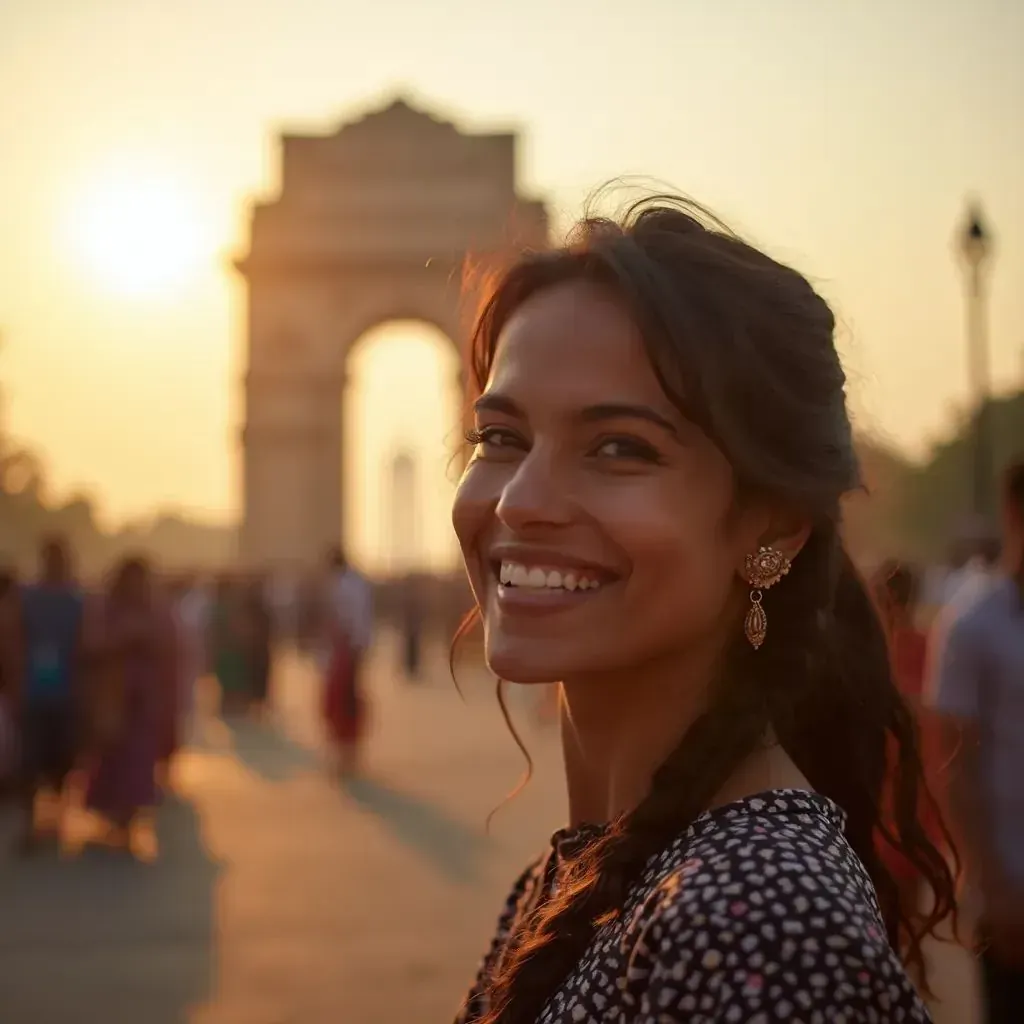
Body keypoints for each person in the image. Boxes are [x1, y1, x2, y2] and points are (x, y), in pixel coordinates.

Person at [451, 198, 955, 1024]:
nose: (520, 502)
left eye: (620, 448)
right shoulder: (592, 877)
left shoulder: (754, 925)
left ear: (775, 526)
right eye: (500, 438)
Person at [926, 460, 1024, 1023]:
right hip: (1012, 890)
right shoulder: (974, 624)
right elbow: (955, 764)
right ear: (1015, 512)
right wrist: (990, 888)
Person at [84, 556, 177, 850]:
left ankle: (128, 819)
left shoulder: (157, 612)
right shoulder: (105, 611)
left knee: (138, 758)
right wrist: (123, 639)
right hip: (112, 697)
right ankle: (114, 818)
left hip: (145, 698)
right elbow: (91, 645)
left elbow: (170, 649)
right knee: (112, 757)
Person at [12, 537, 86, 852]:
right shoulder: (27, 599)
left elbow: (87, 647)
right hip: (34, 690)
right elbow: (15, 640)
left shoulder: (78, 601)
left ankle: (56, 820)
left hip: (67, 692)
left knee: (63, 763)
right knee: (29, 762)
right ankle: (30, 823)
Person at [320, 547, 373, 775]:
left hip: (348, 649)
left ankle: (348, 759)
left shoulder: (346, 585)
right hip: (345, 649)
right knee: (342, 704)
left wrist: (353, 647)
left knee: (345, 705)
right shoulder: (351, 583)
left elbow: (351, 619)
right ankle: (345, 758)